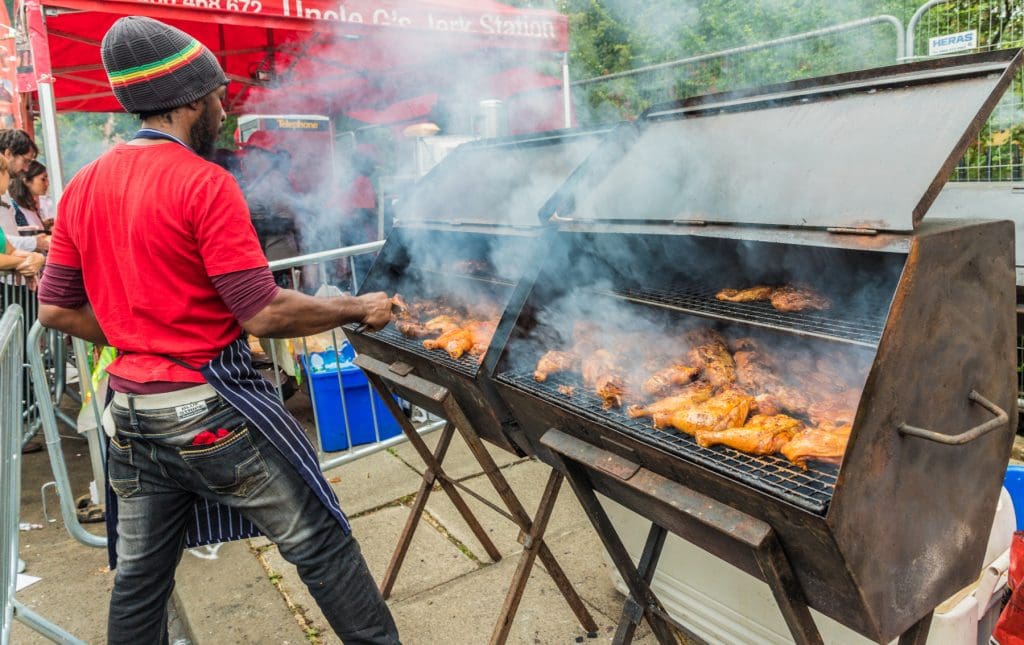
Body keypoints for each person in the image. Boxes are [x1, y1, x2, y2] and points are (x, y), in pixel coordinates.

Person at [37, 16, 399, 644]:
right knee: (321, 545)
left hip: (130, 414)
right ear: (190, 100)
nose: (225, 109)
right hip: (211, 414)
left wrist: (138, 332)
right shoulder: (205, 183)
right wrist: (355, 306)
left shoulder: (82, 187)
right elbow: (261, 312)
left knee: (139, 583)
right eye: (218, 96)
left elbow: (58, 310)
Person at [0, 129, 48, 254]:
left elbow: (4, 233)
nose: (26, 169)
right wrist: (34, 242)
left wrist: (23, 232)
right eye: (25, 161)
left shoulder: (4, 190)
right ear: (8, 154)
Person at [10, 160, 54, 231]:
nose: (47, 184)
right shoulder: (14, 209)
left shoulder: (33, 207)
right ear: (26, 181)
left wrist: (44, 226)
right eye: (43, 179)